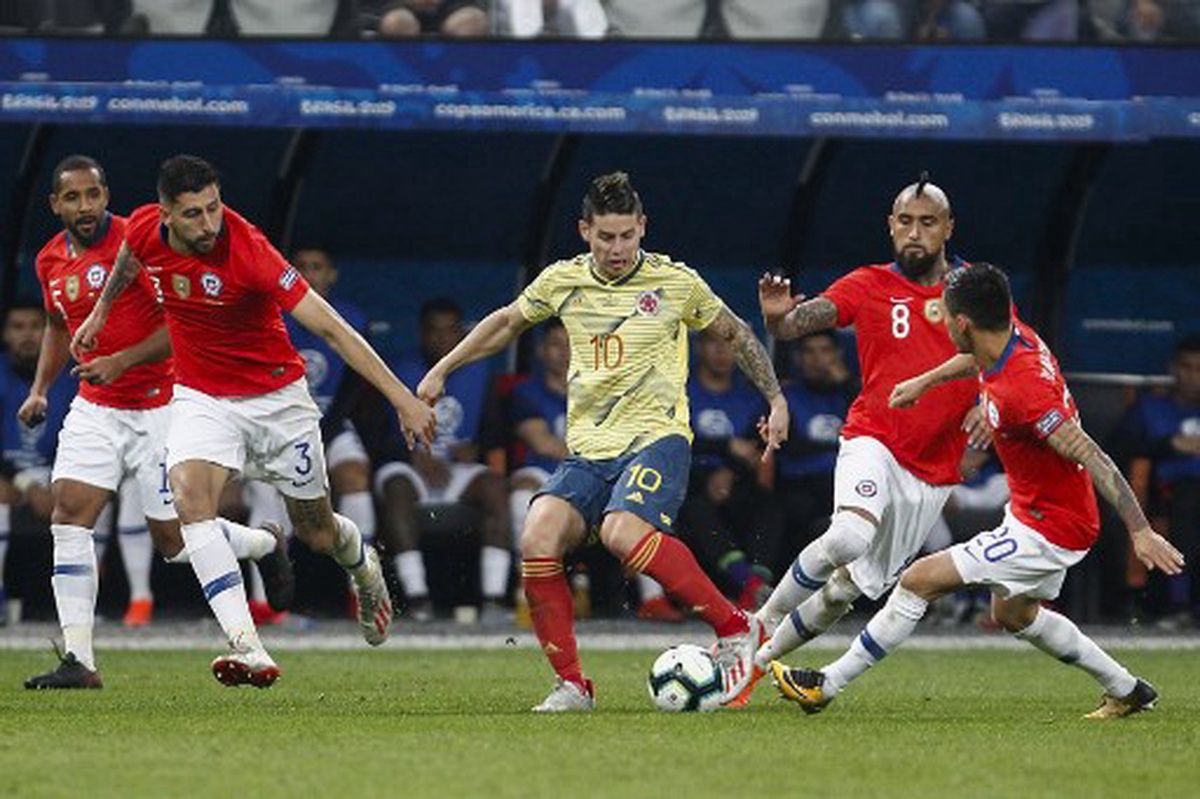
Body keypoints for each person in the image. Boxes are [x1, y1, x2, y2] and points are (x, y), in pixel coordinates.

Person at [416, 171, 789, 711]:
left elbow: (735, 333)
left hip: (658, 437)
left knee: (621, 531)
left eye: (627, 236)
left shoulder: (675, 283)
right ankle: (573, 685)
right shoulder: (562, 281)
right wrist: (443, 369)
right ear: (584, 231)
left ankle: (736, 628)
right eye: (606, 237)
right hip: (590, 449)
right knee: (538, 536)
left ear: (643, 227)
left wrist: (775, 400)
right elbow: (504, 324)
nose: (617, 249)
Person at [70, 154, 436, 687]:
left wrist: (402, 398)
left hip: (278, 402)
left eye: (213, 208)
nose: (208, 223)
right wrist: (100, 315)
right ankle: (249, 647)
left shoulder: (249, 250)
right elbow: (129, 255)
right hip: (202, 397)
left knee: (315, 531)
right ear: (167, 213)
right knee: (190, 498)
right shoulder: (146, 226)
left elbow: (332, 330)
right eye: (193, 214)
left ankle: (364, 568)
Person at [770, 262, 1185, 718]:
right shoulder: (1011, 336)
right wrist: (925, 382)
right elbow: (975, 359)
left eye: (946, 317)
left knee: (917, 581)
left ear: (962, 322)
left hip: (1049, 527)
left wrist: (1140, 530)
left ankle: (827, 683)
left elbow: (1093, 457)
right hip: (1036, 510)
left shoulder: (1024, 392)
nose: (942, 323)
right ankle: (1126, 689)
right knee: (1014, 615)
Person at [20, 155, 296, 689]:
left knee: (173, 541)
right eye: (72, 198)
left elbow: (184, 324)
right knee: (70, 513)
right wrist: (40, 390)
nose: (85, 207)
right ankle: (79, 661)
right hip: (97, 406)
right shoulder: (49, 261)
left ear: (107, 195)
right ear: (55, 204)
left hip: (163, 403)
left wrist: (122, 361)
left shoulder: (140, 242)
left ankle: (264, 544)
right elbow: (59, 328)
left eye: (93, 195)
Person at [739, 176, 988, 706]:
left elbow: (1008, 357)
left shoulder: (976, 290)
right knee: (849, 536)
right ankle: (759, 623)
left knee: (847, 588)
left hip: (931, 470)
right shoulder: (869, 283)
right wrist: (777, 318)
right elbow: (795, 326)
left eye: (927, 222)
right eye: (905, 222)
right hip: (873, 437)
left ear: (948, 228)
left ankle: (752, 667)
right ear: (890, 226)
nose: (914, 233)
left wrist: (990, 405)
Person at [242, 245, 379, 624]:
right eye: (300, 267)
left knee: (355, 474)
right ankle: (263, 603)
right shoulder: (271, 314)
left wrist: (328, 426)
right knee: (268, 491)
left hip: (330, 423)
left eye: (317, 267)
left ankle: (360, 591)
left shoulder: (348, 317)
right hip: (276, 427)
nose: (309, 274)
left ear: (331, 274)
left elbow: (357, 383)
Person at [375, 298, 511, 621]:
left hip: (457, 470)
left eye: (450, 331)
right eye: (434, 331)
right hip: (410, 468)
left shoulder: (479, 371)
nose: (442, 339)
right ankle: (417, 597)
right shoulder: (399, 371)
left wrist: (476, 447)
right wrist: (411, 457)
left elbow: (497, 429)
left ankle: (493, 598)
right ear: (422, 333)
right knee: (395, 487)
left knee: (495, 487)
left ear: (462, 335)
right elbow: (374, 435)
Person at [678, 327, 780, 613]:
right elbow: (675, 440)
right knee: (695, 508)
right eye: (714, 344)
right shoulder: (682, 392)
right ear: (699, 349)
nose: (722, 353)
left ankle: (757, 586)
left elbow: (754, 449)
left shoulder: (750, 398)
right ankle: (747, 583)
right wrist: (723, 448)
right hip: (690, 481)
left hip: (736, 479)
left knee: (771, 505)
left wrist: (729, 469)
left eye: (729, 346)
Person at [1112, 334, 1200, 627]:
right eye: (1187, 367)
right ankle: (1180, 606)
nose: (1193, 377)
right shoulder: (1150, 407)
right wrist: (1170, 445)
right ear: (1174, 369)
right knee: (1188, 500)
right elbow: (1117, 447)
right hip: (1167, 493)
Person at [0, 300, 75, 625]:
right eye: (18, 327)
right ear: (5, 334)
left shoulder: (70, 373)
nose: (27, 335)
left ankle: (83, 599)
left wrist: (53, 482)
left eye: (35, 326)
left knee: (85, 492)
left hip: (58, 467)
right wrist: (26, 485)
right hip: (8, 473)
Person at [773, 331, 856, 573]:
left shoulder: (853, 395)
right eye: (809, 352)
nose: (817, 359)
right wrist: (837, 442)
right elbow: (791, 444)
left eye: (825, 351)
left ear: (838, 355)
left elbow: (872, 434)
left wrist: (846, 383)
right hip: (801, 485)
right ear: (798, 358)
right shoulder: (785, 396)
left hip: (845, 485)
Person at [367, 0, 489, 36]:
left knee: (471, 23)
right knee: (398, 23)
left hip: (453, 5)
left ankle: (460, 84)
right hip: (392, 6)